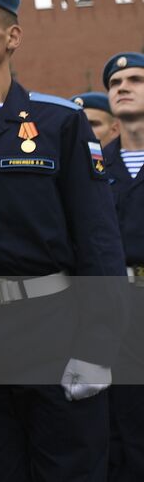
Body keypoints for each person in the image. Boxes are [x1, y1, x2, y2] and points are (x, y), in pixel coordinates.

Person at [0, 0, 124, 480]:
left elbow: (98, 237)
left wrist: (98, 343)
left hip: (52, 323)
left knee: (70, 464)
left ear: (12, 35)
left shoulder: (58, 121)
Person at [100, 52, 144, 481]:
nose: (123, 86)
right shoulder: (97, 166)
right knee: (122, 422)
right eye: (115, 82)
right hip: (118, 307)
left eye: (134, 79)